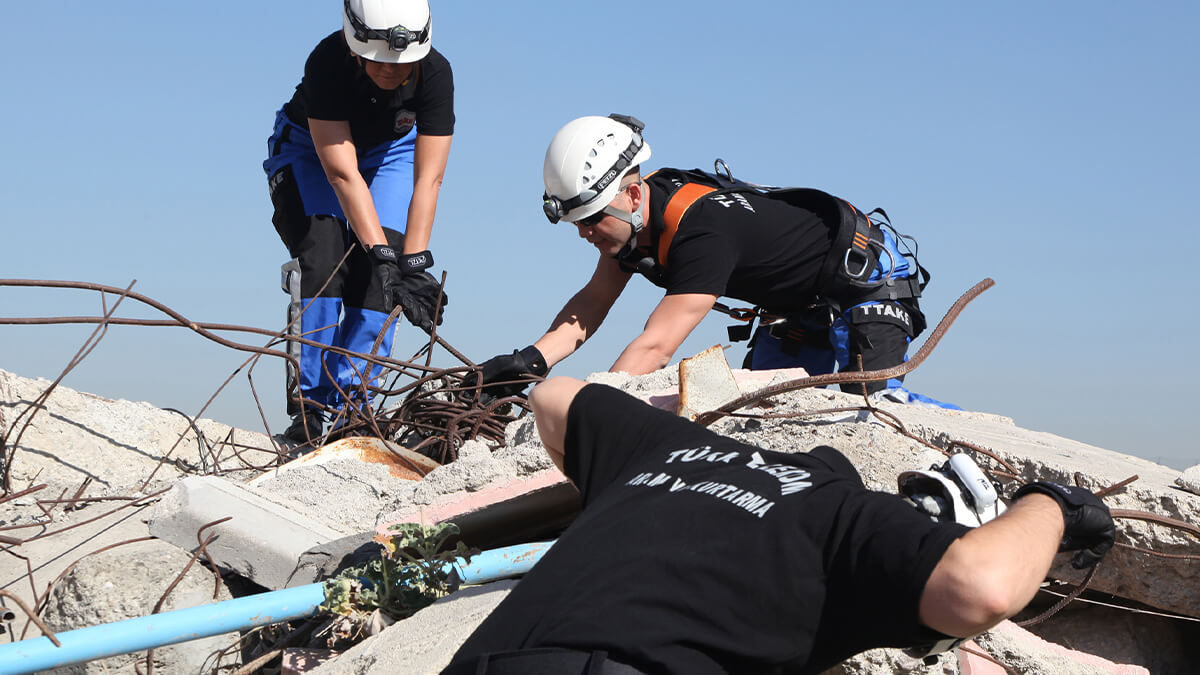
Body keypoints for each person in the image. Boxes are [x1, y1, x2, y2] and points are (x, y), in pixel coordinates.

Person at [442, 376, 1116, 674]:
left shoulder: (665, 447)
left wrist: (613, 492)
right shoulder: (844, 516)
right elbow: (982, 588)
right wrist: (1054, 502)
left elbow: (550, 395)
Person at [479, 114, 951, 407]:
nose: (584, 233)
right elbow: (593, 301)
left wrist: (584, 407)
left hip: (864, 284)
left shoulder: (704, 233)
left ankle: (970, 437)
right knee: (761, 413)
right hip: (798, 310)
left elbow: (655, 347)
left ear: (632, 193)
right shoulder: (634, 220)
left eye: (591, 220)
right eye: (577, 223)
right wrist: (530, 361)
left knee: (872, 411)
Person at [264, 0, 452, 444]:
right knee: (326, 261)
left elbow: (429, 178)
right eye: (379, 63)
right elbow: (342, 174)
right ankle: (310, 407)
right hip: (313, 154)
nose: (391, 73)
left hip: (388, 154)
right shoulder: (327, 61)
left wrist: (413, 262)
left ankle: (354, 403)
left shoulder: (436, 73)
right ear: (354, 45)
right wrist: (382, 254)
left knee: (382, 280)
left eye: (402, 66)